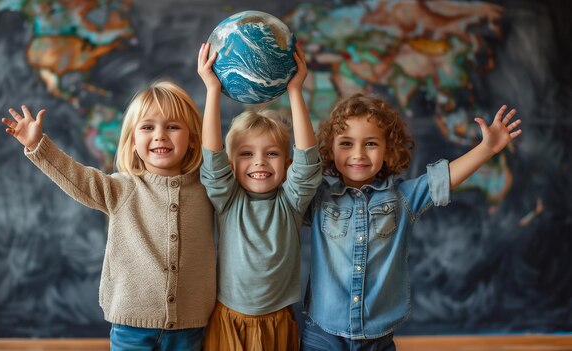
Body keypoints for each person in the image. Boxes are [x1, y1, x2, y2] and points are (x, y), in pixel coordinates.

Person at [0, 81, 216, 351]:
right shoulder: (122, 188)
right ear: (133, 142)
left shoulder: (209, 190)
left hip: (190, 326)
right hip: (131, 327)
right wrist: (38, 145)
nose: (160, 135)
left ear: (193, 140)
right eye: (148, 127)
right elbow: (77, 177)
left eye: (173, 126)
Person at [300, 93, 522, 351]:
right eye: (346, 144)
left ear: (388, 149)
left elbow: (443, 178)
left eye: (370, 143)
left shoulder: (403, 197)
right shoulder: (319, 199)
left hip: (377, 338)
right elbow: (300, 167)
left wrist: (487, 148)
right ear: (330, 149)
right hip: (323, 334)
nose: (358, 154)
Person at [197, 42, 323, 350]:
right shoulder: (227, 200)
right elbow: (211, 157)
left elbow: (308, 160)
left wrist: (295, 91)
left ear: (287, 163)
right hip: (229, 318)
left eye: (271, 153)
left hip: (278, 321)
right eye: (246, 154)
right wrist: (212, 90)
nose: (259, 162)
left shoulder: (291, 202)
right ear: (232, 163)